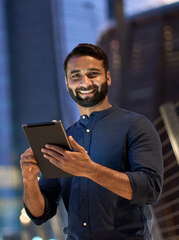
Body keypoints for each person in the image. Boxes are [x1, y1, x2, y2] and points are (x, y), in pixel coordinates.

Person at [20, 43, 163, 240]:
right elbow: (40, 213)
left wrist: (90, 170)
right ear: (67, 83)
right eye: (76, 76)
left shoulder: (136, 126)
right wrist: (29, 179)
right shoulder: (63, 139)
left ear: (108, 77)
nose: (85, 82)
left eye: (93, 74)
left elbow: (150, 189)